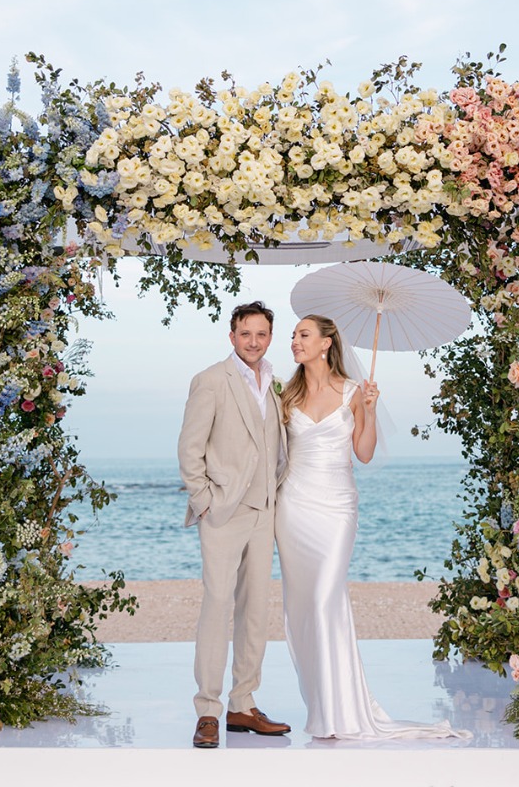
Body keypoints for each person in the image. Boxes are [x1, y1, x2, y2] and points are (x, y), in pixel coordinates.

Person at [275, 314, 471, 742]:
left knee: (327, 598)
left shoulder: (352, 392)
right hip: (293, 510)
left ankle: (342, 712)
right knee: (302, 608)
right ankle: (322, 707)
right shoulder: (285, 395)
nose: (294, 342)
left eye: (302, 335)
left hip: (336, 508)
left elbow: (364, 453)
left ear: (326, 343)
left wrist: (370, 409)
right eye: (293, 336)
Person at [177, 300, 291, 749]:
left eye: (261, 334)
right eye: (246, 334)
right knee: (217, 606)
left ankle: (243, 704)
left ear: (269, 338)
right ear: (232, 336)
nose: (254, 342)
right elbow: (190, 450)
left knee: (255, 611)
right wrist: (204, 502)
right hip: (223, 512)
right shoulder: (210, 381)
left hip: (265, 512)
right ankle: (208, 709)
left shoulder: (277, 384)